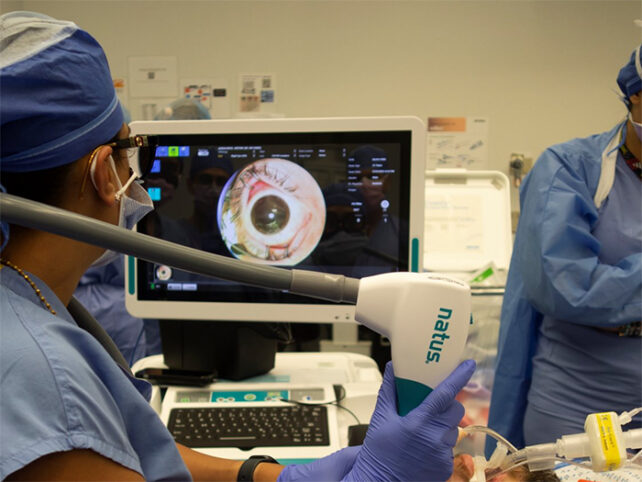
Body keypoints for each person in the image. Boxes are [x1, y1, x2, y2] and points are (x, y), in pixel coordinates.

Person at [0, 11, 475, 481]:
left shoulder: (30, 301)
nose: (135, 176)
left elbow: (131, 447)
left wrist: (265, 475)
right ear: (105, 172)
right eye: (131, 150)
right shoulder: (42, 373)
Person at [488, 45, 642, 450]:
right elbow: (566, 286)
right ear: (637, 95)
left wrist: (620, 287)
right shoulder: (571, 168)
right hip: (581, 398)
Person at [73, 97, 211, 363]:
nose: (159, 178)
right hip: (115, 345)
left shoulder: (177, 232)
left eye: (171, 171)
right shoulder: (106, 222)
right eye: (152, 166)